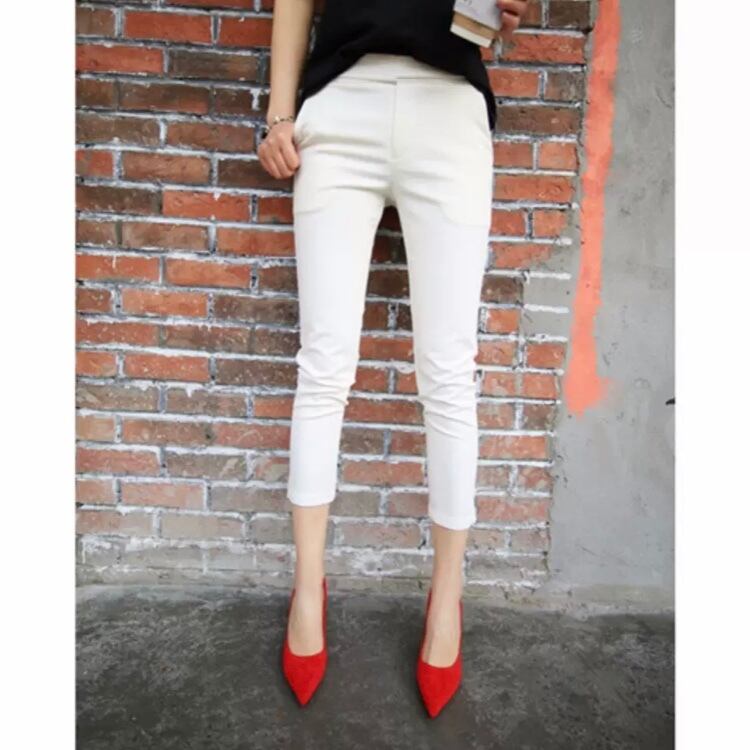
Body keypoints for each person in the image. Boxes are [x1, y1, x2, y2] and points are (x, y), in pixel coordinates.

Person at [258, 0, 530, 718]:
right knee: (324, 366)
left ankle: (447, 596)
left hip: (449, 105)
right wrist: (279, 114)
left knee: (448, 372)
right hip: (341, 104)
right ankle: (307, 587)